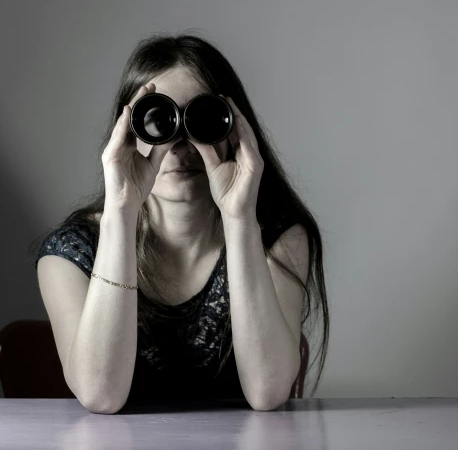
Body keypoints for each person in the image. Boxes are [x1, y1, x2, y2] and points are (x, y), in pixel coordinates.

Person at [32, 32, 330, 414]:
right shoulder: (70, 254)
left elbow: (268, 392)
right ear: (127, 133)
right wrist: (121, 212)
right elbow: (100, 394)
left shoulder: (278, 240)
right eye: (158, 119)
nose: (178, 144)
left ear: (234, 130)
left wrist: (239, 218)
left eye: (201, 119)